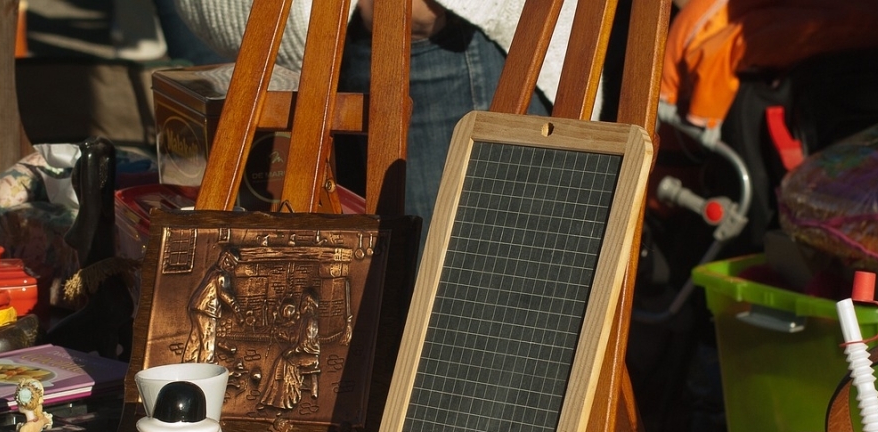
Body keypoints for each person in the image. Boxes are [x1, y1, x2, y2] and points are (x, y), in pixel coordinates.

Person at [173, 0, 592, 260]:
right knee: (370, 289)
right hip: (332, 33)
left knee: (451, 308)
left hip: (434, 41)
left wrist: (413, 12)